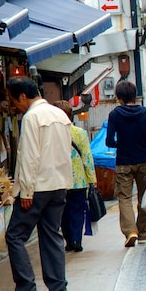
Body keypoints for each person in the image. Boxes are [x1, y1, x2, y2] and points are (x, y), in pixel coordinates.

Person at [2, 78, 73, 291]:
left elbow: (30, 157)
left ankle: (26, 288)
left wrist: (26, 191)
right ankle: (58, 289)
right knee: (51, 234)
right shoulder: (60, 115)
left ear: (23, 96)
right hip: (59, 184)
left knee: (14, 235)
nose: (14, 106)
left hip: (38, 187)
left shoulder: (31, 117)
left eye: (13, 100)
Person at [106, 80, 146, 248]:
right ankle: (143, 233)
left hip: (123, 162)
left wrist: (122, 144)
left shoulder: (115, 115)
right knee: (144, 197)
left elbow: (109, 141)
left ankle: (130, 231)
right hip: (144, 161)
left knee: (124, 198)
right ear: (134, 96)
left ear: (119, 97)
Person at [53, 100, 97, 253]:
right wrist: (92, 179)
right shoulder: (80, 133)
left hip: (60, 181)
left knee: (63, 212)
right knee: (77, 211)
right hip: (79, 181)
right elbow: (87, 158)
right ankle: (77, 239)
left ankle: (69, 241)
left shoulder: (51, 135)